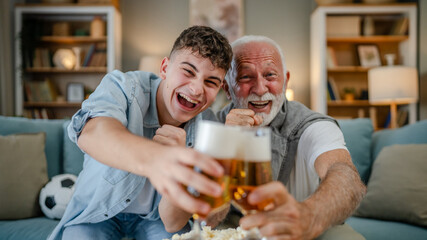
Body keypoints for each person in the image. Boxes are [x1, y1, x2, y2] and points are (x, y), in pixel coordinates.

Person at [48, 26, 233, 240]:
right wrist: (160, 158)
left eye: (211, 82)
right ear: (165, 68)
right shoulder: (123, 87)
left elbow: (172, 223)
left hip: (155, 220)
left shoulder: (208, 129)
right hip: (96, 214)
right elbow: (93, 134)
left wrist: (180, 168)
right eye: (188, 71)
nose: (196, 89)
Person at [217, 35, 367, 240]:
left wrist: (308, 215)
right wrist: (225, 144)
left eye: (270, 75)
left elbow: (345, 176)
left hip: (307, 222)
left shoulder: (312, 125)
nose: (260, 89)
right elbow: (204, 216)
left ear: (286, 80)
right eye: (245, 77)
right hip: (231, 228)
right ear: (227, 88)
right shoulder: (211, 127)